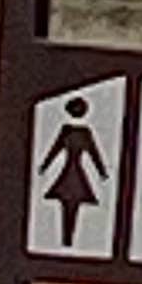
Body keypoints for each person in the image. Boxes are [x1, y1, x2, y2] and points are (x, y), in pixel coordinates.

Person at [38, 96, 109, 249]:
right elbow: (56, 150)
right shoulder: (77, 132)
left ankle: (67, 239)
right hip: (75, 174)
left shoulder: (75, 132)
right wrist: (45, 165)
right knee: (70, 205)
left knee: (69, 205)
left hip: (72, 174)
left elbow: (93, 153)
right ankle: (67, 239)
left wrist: (102, 171)